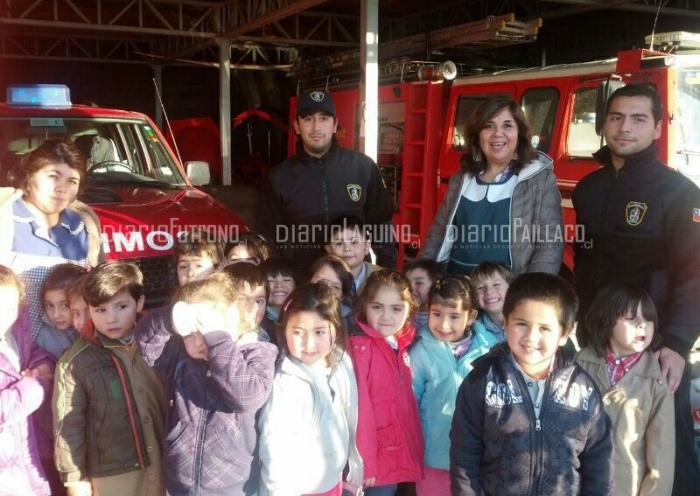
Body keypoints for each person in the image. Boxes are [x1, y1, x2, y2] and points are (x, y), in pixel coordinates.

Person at [572, 83, 700, 494]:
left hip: (655, 342)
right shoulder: (588, 189)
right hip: (595, 340)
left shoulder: (680, 194)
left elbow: (693, 275)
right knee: (599, 441)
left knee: (667, 451)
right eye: (616, 117)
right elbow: (585, 260)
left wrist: (678, 345)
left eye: (638, 119)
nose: (625, 128)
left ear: (658, 128)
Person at [449, 272, 613, 495]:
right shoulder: (482, 380)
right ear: (506, 323)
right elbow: (464, 455)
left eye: (545, 328)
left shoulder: (584, 391)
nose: (530, 337)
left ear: (564, 333)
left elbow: (598, 464)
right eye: (521, 324)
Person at [136, 271, 278, 496]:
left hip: (232, 487)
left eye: (208, 330)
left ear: (235, 319)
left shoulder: (257, 353)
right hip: (179, 483)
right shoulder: (179, 359)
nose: (200, 339)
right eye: (190, 333)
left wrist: (218, 339)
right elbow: (146, 342)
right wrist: (172, 318)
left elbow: (246, 398)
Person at [53, 261, 165, 496]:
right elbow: (68, 428)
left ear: (140, 302)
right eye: (100, 310)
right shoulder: (74, 362)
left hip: (167, 465)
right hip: (113, 476)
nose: (111, 319)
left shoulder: (163, 343)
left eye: (121, 306)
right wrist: (76, 483)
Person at [256, 89, 396, 272]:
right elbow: (267, 238)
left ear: (335, 124)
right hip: (303, 283)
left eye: (324, 118)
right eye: (308, 119)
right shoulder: (278, 177)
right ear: (297, 126)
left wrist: (389, 273)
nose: (316, 127)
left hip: (355, 281)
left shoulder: (363, 167)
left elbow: (381, 224)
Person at [420, 96, 563, 276]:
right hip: (458, 291)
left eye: (507, 125)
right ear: (477, 135)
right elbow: (438, 233)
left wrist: (531, 293)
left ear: (520, 133)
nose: (498, 133)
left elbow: (549, 244)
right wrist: (422, 276)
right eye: (488, 126)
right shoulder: (461, 180)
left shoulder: (539, 180)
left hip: (510, 293)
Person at [258, 283, 363, 495]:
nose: (309, 343)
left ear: (335, 329)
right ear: (284, 329)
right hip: (301, 489)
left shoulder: (340, 362)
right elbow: (275, 451)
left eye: (319, 332)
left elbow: (349, 416)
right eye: (298, 332)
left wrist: (353, 467)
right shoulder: (287, 384)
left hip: (333, 481)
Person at [0, 137, 104, 341]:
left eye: (72, 181)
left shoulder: (84, 227)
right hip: (14, 361)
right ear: (29, 175)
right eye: (53, 176)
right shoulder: (6, 219)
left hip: (75, 356)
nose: (61, 188)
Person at [576, 283, 675, 496]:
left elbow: (662, 455)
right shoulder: (579, 364)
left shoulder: (658, 378)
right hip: (581, 484)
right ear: (606, 320)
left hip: (627, 488)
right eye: (632, 318)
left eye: (648, 319)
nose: (643, 326)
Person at [410, 275, 499, 496]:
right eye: (437, 314)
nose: (444, 324)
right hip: (432, 456)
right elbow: (409, 401)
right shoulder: (421, 351)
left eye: (454, 316)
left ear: (471, 317)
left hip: (477, 457)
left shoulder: (491, 350)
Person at [350, 269, 424, 496]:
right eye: (377, 307)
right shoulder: (361, 349)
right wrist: (367, 463)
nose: (386, 317)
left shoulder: (405, 343)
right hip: (376, 461)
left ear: (409, 308)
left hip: (398, 452)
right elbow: (360, 411)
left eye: (396, 309)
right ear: (364, 307)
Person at [0, 265, 54, 496]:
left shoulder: (13, 334)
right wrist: (34, 388)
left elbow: (29, 353)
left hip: (26, 454)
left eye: (9, 307)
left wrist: (43, 365)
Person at [36, 263, 87, 359]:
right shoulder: (43, 337)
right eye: (50, 305)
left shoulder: (99, 327)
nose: (56, 315)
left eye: (64, 305)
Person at [222, 261, 276, 343]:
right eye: (242, 300)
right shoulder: (204, 339)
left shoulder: (272, 340)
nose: (251, 309)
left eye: (259, 301)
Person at [326, 215, 381, 292]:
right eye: (339, 243)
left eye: (354, 242)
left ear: (367, 247)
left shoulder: (380, 276)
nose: (347, 249)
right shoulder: (324, 278)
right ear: (329, 250)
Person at [309, 254, 360, 336]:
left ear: (342, 296)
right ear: (309, 281)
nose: (327, 290)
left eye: (335, 287)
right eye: (321, 282)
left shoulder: (352, 326)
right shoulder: (291, 312)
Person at [470, 261, 513, 343]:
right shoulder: (474, 331)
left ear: (511, 288)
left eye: (496, 284)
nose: (489, 291)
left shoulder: (526, 320)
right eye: (481, 287)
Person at [260, 256, 299, 330]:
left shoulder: (302, 315)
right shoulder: (258, 321)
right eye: (271, 280)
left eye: (287, 280)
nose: (279, 285)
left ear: (296, 285)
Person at [403, 258, 443, 329]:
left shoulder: (441, 315)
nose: (411, 287)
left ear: (435, 285)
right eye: (407, 282)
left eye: (419, 283)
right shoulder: (401, 310)